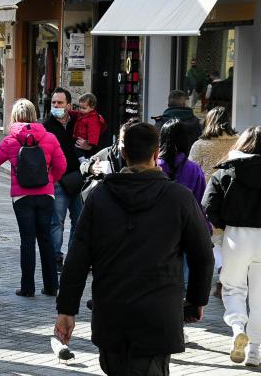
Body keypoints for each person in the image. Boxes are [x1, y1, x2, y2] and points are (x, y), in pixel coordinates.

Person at [55, 122, 214, 376]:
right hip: (159, 314)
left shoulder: (100, 197)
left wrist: (66, 310)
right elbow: (203, 256)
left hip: (111, 312)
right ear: (155, 155)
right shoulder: (179, 198)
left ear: (124, 153)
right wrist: (196, 301)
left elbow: (77, 257)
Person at [201, 126, 261, 367]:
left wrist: (225, 223)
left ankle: (236, 328)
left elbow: (209, 205)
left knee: (233, 288)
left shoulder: (226, 170)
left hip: (235, 235)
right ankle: (254, 349)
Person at [0, 99, 66, 297]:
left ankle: (27, 287)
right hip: (46, 195)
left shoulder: (10, 141)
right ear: (34, 115)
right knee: (46, 239)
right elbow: (61, 166)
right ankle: (51, 287)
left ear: (14, 116)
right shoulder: (49, 138)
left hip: (22, 197)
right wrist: (50, 181)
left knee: (27, 241)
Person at [189, 107, 238, 295]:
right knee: (229, 237)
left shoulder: (200, 145)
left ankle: (222, 273)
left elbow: (193, 169)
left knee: (212, 238)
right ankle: (229, 279)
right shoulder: (238, 141)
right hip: (233, 194)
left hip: (208, 194)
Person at [43, 88, 84, 271]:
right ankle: (55, 258)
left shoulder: (78, 122)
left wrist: (88, 145)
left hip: (78, 178)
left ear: (68, 105)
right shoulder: (46, 126)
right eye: (53, 103)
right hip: (58, 180)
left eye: (60, 103)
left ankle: (74, 257)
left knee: (80, 220)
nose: (56, 106)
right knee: (56, 221)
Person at [157, 119, 206, 203]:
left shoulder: (154, 166)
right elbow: (200, 202)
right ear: (185, 140)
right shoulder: (195, 170)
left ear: (162, 139)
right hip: (187, 215)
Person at [73, 93, 107, 159]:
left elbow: (94, 131)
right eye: (80, 107)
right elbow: (75, 113)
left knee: (78, 150)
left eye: (84, 108)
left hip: (87, 141)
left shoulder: (93, 119)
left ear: (92, 107)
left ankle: (83, 161)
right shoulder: (83, 114)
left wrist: (90, 144)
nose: (81, 110)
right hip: (81, 139)